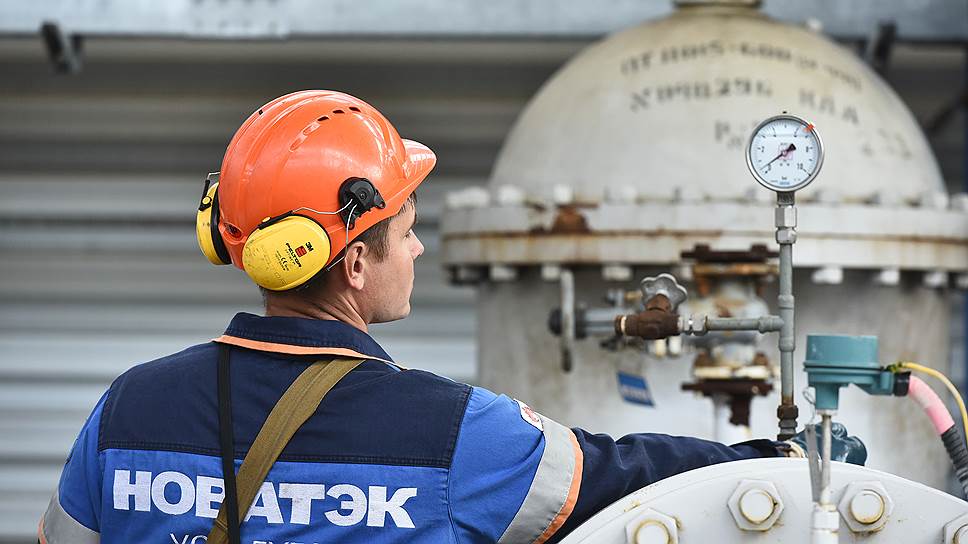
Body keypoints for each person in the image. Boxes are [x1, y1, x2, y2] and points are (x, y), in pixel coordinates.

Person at [38, 90, 863, 544]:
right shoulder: (454, 435)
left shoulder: (125, 412)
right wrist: (780, 460)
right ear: (354, 263)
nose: (419, 248)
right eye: (406, 230)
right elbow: (624, 475)